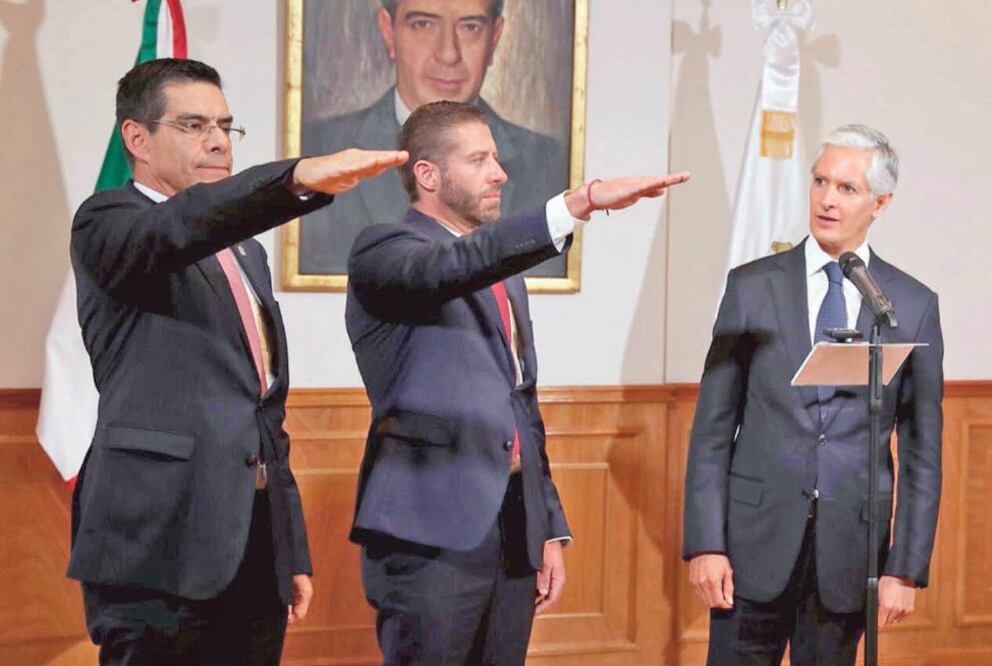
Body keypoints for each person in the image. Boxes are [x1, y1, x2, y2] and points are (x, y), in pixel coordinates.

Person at [66, 57, 406, 665]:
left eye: (225, 125)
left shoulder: (245, 252)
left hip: (250, 544)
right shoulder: (108, 223)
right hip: (156, 543)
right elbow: (178, 229)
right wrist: (297, 176)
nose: (219, 140)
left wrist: (288, 547)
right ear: (136, 139)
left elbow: (262, 412)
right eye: (194, 125)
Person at [345, 100, 690, 665]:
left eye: (497, 158)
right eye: (479, 159)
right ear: (428, 175)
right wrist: (578, 203)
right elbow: (449, 268)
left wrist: (547, 526)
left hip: (510, 529)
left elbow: (520, 405)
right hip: (428, 535)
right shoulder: (384, 252)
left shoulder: (507, 282)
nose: (500, 173)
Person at [683, 124, 944, 665]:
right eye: (820, 181)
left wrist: (904, 568)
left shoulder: (910, 305)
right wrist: (706, 544)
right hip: (751, 547)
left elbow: (922, 454)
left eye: (847, 188)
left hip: (849, 554)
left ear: (881, 202)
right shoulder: (752, 286)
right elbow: (711, 429)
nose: (827, 199)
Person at [300, 0, 569, 275]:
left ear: (495, 37)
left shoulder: (552, 160)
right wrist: (569, 210)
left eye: (470, 27)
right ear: (388, 32)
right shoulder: (318, 153)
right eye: (423, 24)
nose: (448, 53)